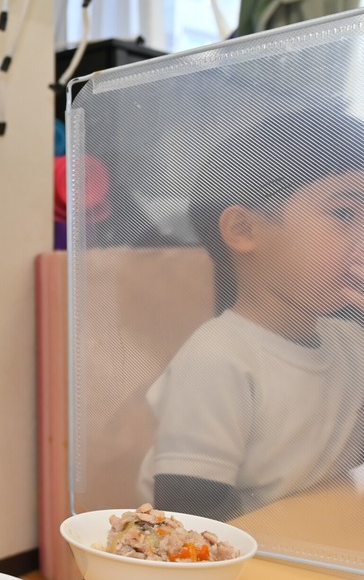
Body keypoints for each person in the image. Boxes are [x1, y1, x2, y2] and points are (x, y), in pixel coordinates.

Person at [137, 104, 364, 519]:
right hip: (251, 566)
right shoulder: (219, 359)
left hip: (324, 550)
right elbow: (190, 516)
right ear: (244, 230)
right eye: (345, 213)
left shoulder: (353, 342)